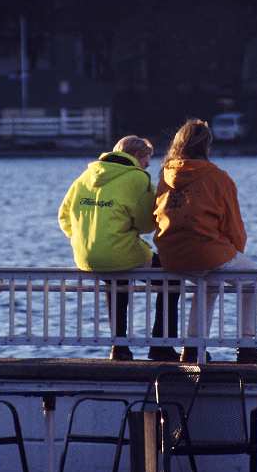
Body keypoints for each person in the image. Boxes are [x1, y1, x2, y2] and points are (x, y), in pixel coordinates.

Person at [58, 135, 180, 361]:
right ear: (136, 156)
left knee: (117, 281)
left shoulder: (85, 176)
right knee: (170, 279)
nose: (148, 165)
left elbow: (64, 215)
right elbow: (145, 223)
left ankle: (119, 347)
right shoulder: (136, 178)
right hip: (119, 250)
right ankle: (161, 344)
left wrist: (83, 237)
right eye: (147, 159)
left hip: (86, 255)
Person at [153, 119, 257, 364]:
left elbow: (157, 214)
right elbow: (232, 224)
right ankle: (247, 344)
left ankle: (192, 348)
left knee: (209, 283)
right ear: (207, 145)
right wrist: (233, 251)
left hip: (170, 254)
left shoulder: (165, 174)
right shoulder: (217, 177)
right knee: (254, 280)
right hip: (206, 252)